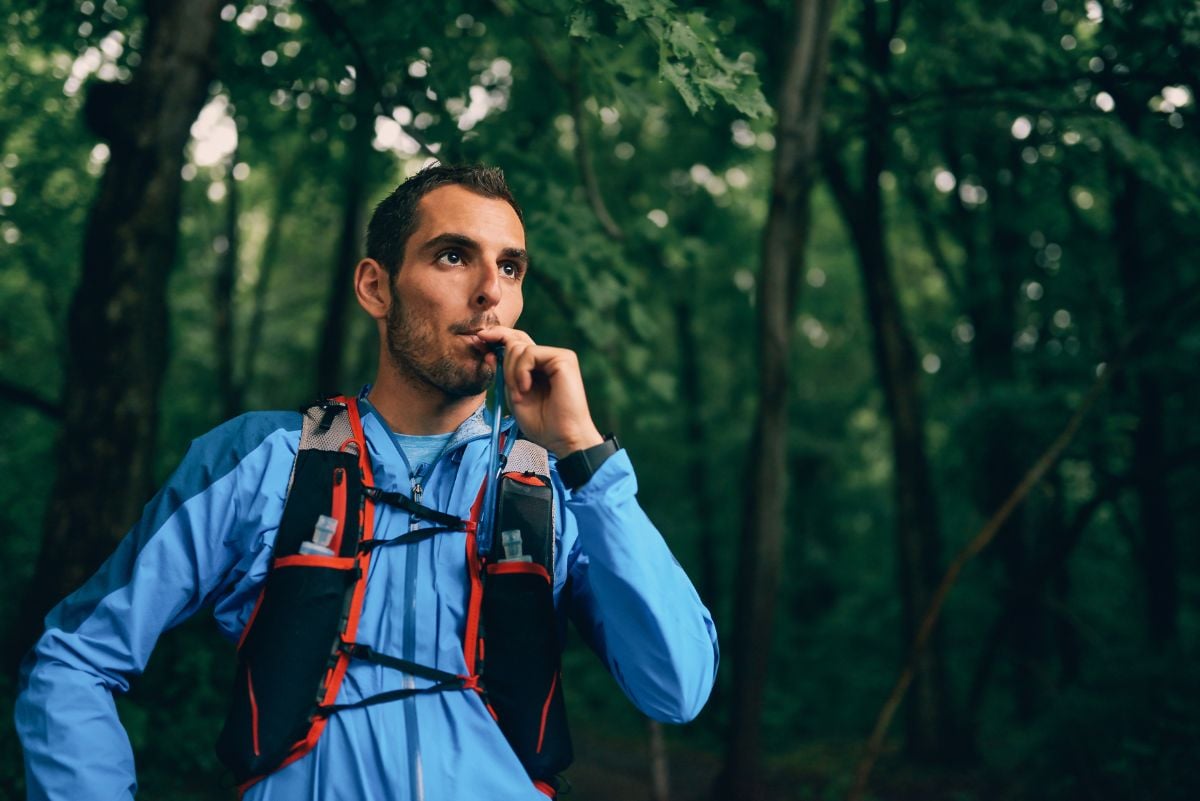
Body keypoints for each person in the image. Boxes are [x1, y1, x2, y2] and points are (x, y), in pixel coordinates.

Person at [15, 164, 719, 801]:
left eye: (511, 268)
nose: (489, 294)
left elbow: (677, 686)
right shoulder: (263, 459)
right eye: (454, 256)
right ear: (376, 286)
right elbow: (74, 659)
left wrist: (582, 451)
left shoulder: (560, 483)